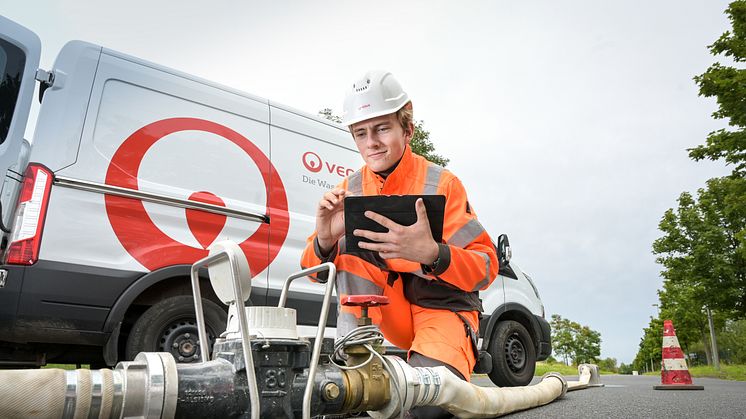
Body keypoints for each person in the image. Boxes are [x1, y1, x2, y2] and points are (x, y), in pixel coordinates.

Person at [301, 70, 498, 418]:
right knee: (345, 243)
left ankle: (436, 365)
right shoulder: (351, 190)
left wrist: (433, 255)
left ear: (406, 129)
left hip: (442, 310)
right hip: (388, 313)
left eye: (382, 128)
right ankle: (356, 362)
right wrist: (325, 239)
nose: (371, 142)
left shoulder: (442, 183)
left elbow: (485, 268)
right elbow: (313, 274)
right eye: (361, 133)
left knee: (426, 408)